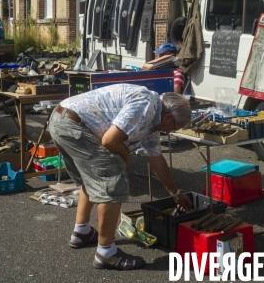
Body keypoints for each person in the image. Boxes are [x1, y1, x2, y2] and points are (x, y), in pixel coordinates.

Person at [49, 84, 193, 271]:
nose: (169, 133)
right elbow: (109, 141)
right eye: (174, 127)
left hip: (63, 120)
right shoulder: (146, 104)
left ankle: (81, 232)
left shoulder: (154, 120)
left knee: (91, 178)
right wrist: (126, 157)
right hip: (73, 125)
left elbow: (156, 158)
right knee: (112, 178)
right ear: (168, 117)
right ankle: (106, 254)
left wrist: (176, 193)